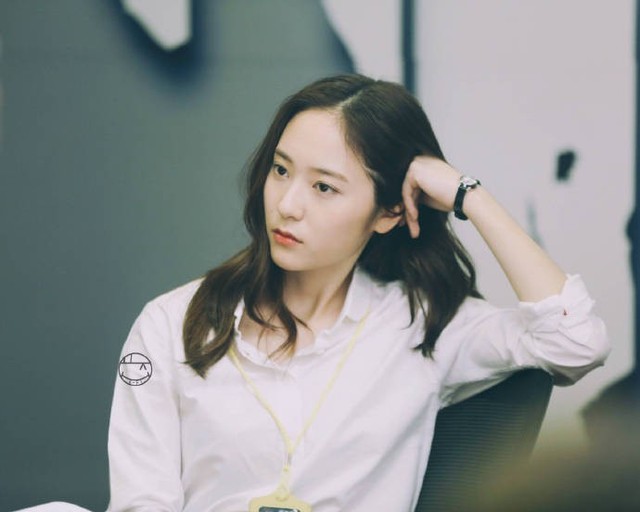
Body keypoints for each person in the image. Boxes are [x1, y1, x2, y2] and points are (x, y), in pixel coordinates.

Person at [106, 74, 610, 512]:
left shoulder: (421, 325)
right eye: (281, 170)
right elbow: (141, 501)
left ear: (389, 213)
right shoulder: (172, 323)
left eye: (323, 187)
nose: (287, 204)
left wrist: (466, 193)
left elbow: (575, 342)